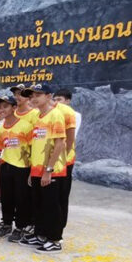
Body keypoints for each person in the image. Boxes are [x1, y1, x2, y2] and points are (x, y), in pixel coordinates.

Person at [19, 84, 67, 254]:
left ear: (49, 96)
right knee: (39, 204)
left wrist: (49, 169)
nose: (34, 98)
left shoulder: (55, 115)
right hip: (37, 168)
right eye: (32, 95)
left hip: (52, 170)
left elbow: (60, 143)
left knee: (51, 205)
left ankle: (54, 239)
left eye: (38, 94)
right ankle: (40, 234)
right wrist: (34, 170)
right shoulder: (39, 117)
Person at [0, 95, 33, 242]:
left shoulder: (26, 126)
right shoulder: (1, 129)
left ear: (14, 108)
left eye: (5, 106)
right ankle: (7, 224)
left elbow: (33, 148)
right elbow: (1, 149)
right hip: (6, 166)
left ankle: (20, 227)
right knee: (6, 198)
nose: (1, 110)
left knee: (21, 199)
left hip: (22, 167)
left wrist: (32, 170)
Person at [52, 89, 78, 231]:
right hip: (51, 160)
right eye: (54, 99)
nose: (56, 102)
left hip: (65, 161)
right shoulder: (50, 113)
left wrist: (61, 159)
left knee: (61, 195)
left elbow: (70, 138)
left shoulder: (71, 114)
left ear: (68, 100)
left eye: (59, 99)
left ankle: (59, 228)